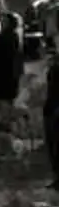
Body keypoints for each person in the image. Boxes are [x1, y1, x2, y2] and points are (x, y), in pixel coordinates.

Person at [0, 14, 23, 131]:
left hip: (2, 74)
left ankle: (6, 123)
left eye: (4, 22)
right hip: (11, 74)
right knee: (8, 99)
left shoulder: (4, 37)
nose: (2, 23)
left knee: (2, 100)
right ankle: (8, 123)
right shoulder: (14, 36)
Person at [43, 47, 59, 190]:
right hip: (53, 110)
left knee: (54, 147)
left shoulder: (55, 70)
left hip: (54, 112)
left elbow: (52, 93)